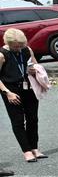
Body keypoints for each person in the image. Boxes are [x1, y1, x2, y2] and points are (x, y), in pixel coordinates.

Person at [0, 29, 43, 163]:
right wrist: (7, 92)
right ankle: (26, 151)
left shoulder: (26, 50)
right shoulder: (2, 55)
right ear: (8, 43)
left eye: (21, 45)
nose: (19, 48)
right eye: (16, 46)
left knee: (33, 118)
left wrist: (33, 69)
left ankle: (34, 148)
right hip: (11, 89)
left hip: (28, 86)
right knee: (18, 121)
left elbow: (36, 65)